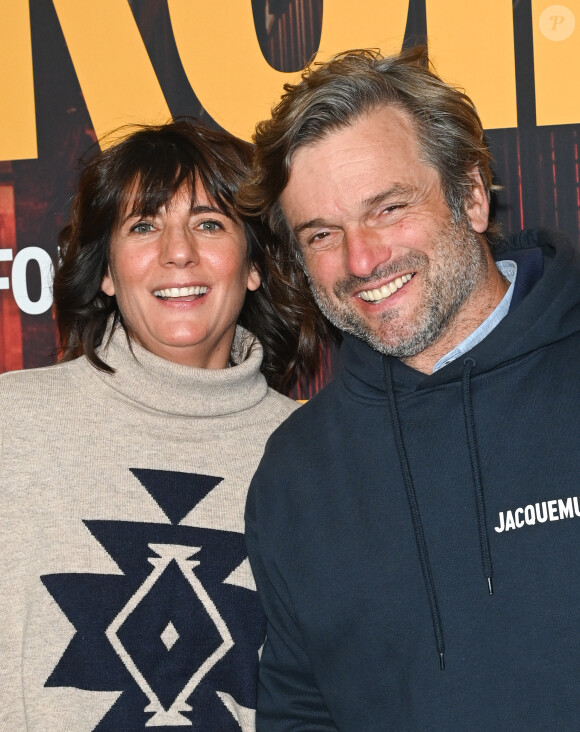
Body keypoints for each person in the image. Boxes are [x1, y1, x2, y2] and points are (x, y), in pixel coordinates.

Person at [241, 47, 580, 730]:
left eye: (388, 209)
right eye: (323, 233)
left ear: (473, 196)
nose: (361, 259)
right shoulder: (297, 471)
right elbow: (300, 711)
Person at [0, 119, 302, 730]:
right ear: (107, 272)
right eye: (143, 225)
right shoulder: (13, 426)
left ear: (254, 265)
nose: (178, 251)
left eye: (210, 223)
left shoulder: (318, 452)